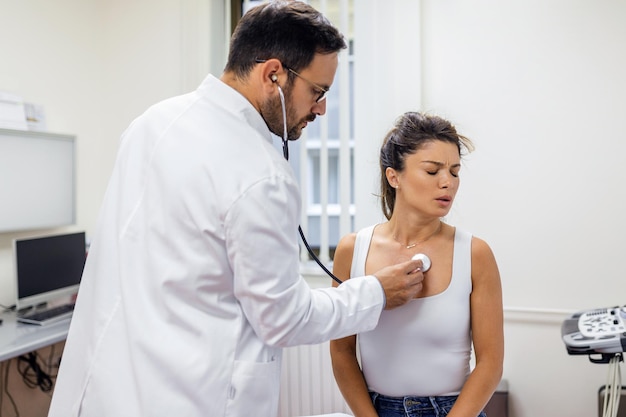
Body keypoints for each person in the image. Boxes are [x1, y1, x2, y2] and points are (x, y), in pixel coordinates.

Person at [47, 2, 426, 417]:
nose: (320, 109)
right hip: (190, 397)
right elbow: (284, 319)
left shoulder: (152, 124)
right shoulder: (260, 174)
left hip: (111, 390)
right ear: (273, 75)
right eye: (318, 92)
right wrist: (375, 293)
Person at [329, 112, 504, 417]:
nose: (447, 182)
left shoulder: (475, 254)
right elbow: (342, 351)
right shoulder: (351, 250)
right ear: (393, 176)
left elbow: (490, 363)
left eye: (454, 171)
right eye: (432, 171)